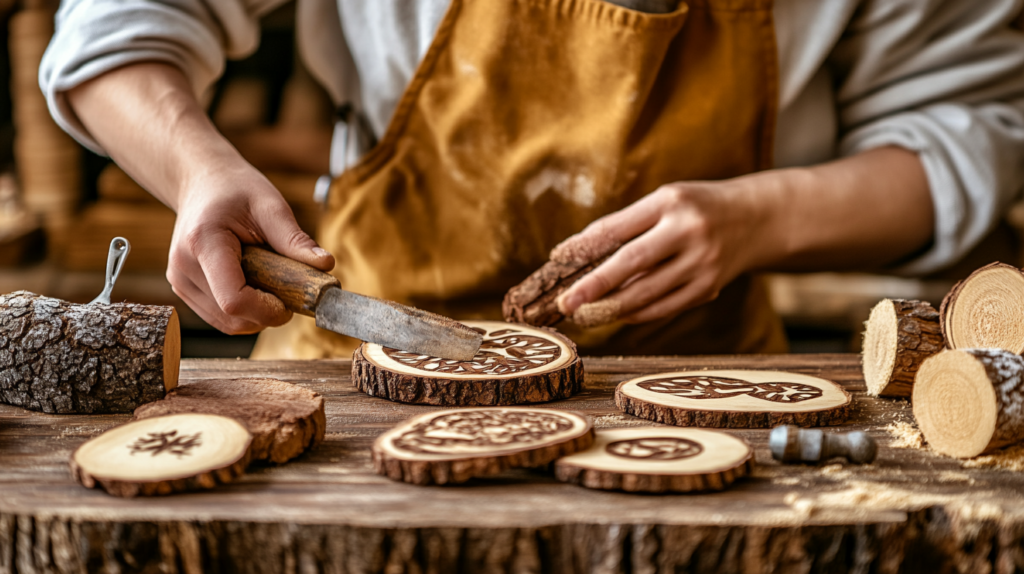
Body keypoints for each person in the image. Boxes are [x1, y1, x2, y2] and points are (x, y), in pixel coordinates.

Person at [41, 0, 1024, 358]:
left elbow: (974, 133)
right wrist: (197, 163)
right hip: (354, 374)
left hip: (694, 377)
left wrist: (766, 217)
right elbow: (118, 27)